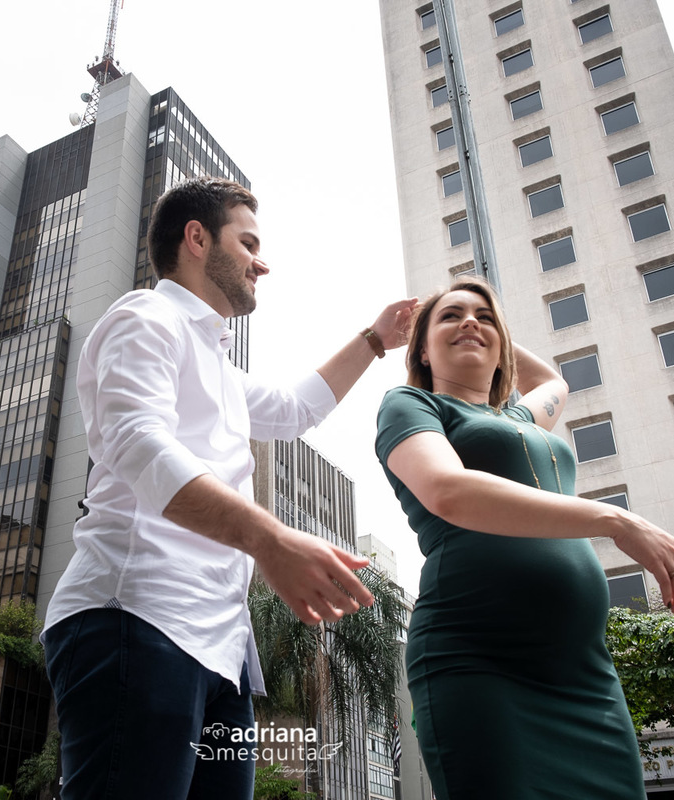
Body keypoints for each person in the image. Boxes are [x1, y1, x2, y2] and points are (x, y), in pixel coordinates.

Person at [42, 177, 416, 800]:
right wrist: (270, 539)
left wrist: (376, 339)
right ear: (197, 238)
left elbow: (295, 409)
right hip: (137, 615)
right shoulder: (146, 317)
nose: (261, 263)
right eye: (248, 244)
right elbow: (138, 443)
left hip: (222, 647)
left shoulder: (216, 362)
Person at [374, 276, 674, 799]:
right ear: (423, 351)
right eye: (451, 317)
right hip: (480, 660)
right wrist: (617, 520)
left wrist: (484, 326)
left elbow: (553, 380)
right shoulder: (412, 405)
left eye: (484, 317)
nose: (470, 322)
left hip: (584, 674)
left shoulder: (520, 417)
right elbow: (447, 490)